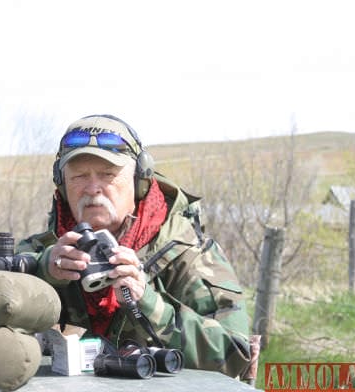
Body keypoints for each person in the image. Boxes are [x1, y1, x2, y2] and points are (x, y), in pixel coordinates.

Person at [17, 114, 251, 378]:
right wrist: (43, 276)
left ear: (140, 181)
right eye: (79, 176)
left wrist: (150, 304)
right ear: (62, 184)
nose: (93, 188)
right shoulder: (37, 254)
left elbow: (237, 357)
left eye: (107, 175)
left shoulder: (188, 254)